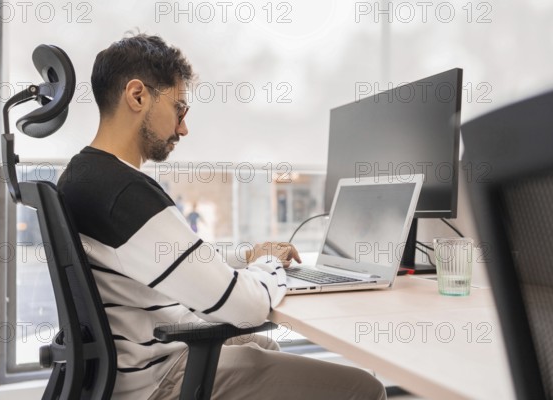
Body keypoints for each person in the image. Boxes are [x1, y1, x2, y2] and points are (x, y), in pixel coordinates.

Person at [57, 33, 386, 400]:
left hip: (135, 365)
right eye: (179, 109)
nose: (183, 128)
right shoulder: (124, 192)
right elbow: (245, 307)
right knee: (365, 389)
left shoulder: (82, 176)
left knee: (264, 347)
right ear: (138, 96)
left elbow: (176, 258)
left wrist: (247, 257)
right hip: (158, 379)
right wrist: (268, 264)